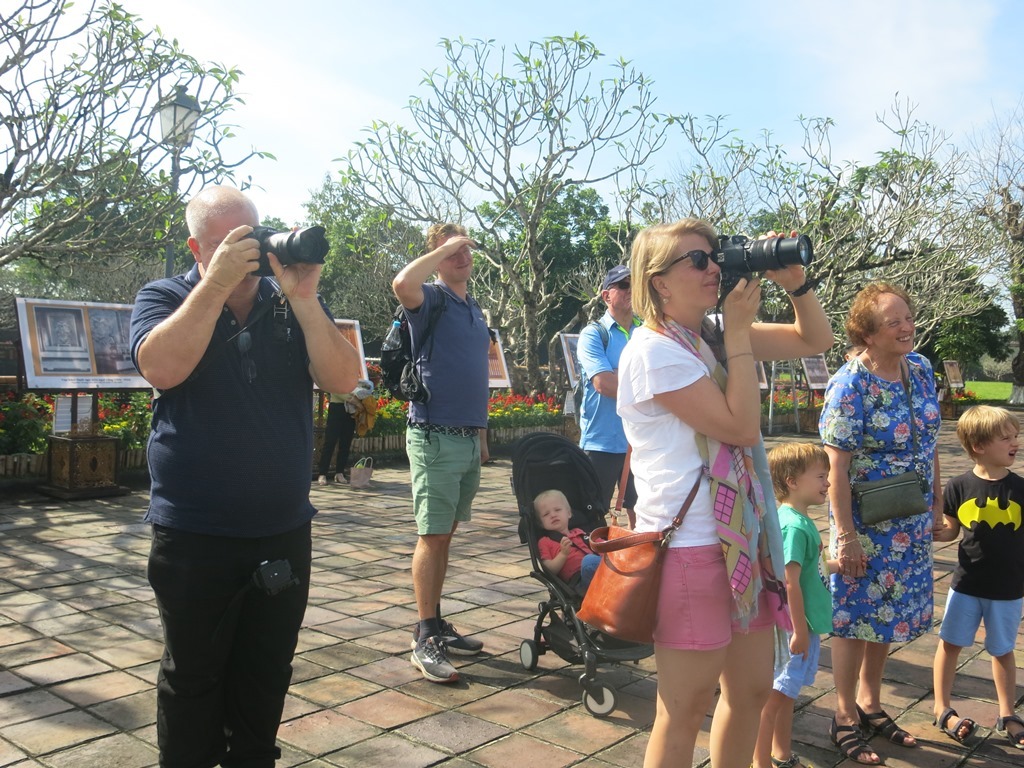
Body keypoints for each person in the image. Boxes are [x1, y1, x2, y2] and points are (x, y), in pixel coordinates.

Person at [129, 186, 361, 766]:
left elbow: (342, 379)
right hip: (195, 531)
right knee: (193, 675)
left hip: (281, 526)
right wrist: (214, 284)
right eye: (229, 242)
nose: (248, 253)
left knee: (265, 672)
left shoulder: (289, 301)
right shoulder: (164, 296)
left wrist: (305, 298)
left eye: (252, 238)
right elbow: (160, 366)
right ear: (197, 247)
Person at [617, 218, 833, 768]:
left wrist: (796, 285)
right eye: (696, 260)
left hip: (743, 540)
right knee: (685, 707)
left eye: (713, 256)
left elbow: (816, 339)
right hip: (690, 547)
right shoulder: (652, 351)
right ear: (658, 281)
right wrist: (738, 334)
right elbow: (739, 428)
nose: (713, 268)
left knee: (752, 692)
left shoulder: (711, 335)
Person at [819, 282, 942, 765]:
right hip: (865, 522)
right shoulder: (851, 384)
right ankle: (844, 713)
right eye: (893, 322)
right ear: (867, 333)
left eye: (908, 317)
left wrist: (935, 507)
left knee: (888, 613)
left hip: (909, 518)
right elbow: (836, 470)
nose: (906, 327)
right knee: (853, 617)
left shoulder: (921, 369)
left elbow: (929, 442)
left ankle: (871, 703)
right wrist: (845, 537)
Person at [392, 222, 490, 684]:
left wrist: (482, 434)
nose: (460, 257)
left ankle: (434, 621)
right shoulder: (428, 297)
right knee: (432, 535)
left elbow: (475, 375)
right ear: (435, 256)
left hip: (467, 436)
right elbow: (401, 284)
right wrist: (442, 251)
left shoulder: (473, 307)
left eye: (464, 249)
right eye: (450, 251)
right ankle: (425, 635)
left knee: (446, 533)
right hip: (433, 435)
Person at [932, 405, 1024, 750]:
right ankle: (942, 707)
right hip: (967, 584)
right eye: (1006, 438)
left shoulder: (1020, 489)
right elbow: (953, 528)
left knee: (1002, 650)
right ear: (979, 446)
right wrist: (940, 531)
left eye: (1015, 436)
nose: (1015, 442)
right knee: (950, 643)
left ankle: (1007, 713)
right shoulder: (959, 486)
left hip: (1008, 587)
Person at [754, 443, 839, 768]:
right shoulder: (792, 525)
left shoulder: (797, 521)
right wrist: (799, 631)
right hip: (795, 628)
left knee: (787, 698)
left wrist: (835, 565)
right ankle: (760, 762)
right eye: (820, 476)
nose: (827, 483)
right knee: (772, 701)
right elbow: (788, 580)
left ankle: (782, 755)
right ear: (791, 481)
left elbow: (806, 570)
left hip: (804, 626)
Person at [577, 264, 641, 527]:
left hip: (641, 441)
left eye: (635, 285)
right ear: (606, 296)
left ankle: (643, 564)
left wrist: (619, 374)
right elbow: (604, 384)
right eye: (624, 286)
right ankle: (593, 566)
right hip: (601, 442)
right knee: (591, 515)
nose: (631, 291)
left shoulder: (647, 332)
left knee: (645, 512)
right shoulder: (594, 334)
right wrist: (644, 384)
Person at [533, 489, 601, 591]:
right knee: (589, 561)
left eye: (557, 510)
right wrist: (563, 554)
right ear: (541, 523)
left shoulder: (581, 533)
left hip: (601, 569)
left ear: (569, 513)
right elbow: (549, 570)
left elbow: (603, 545)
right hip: (581, 581)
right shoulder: (545, 542)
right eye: (546, 514)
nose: (553, 515)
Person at [316, 379, 373, 486]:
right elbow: (340, 393)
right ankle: (322, 473)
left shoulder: (351, 375)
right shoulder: (335, 374)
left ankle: (339, 472)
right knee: (330, 442)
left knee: (346, 443)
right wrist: (357, 403)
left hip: (351, 411)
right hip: (337, 408)